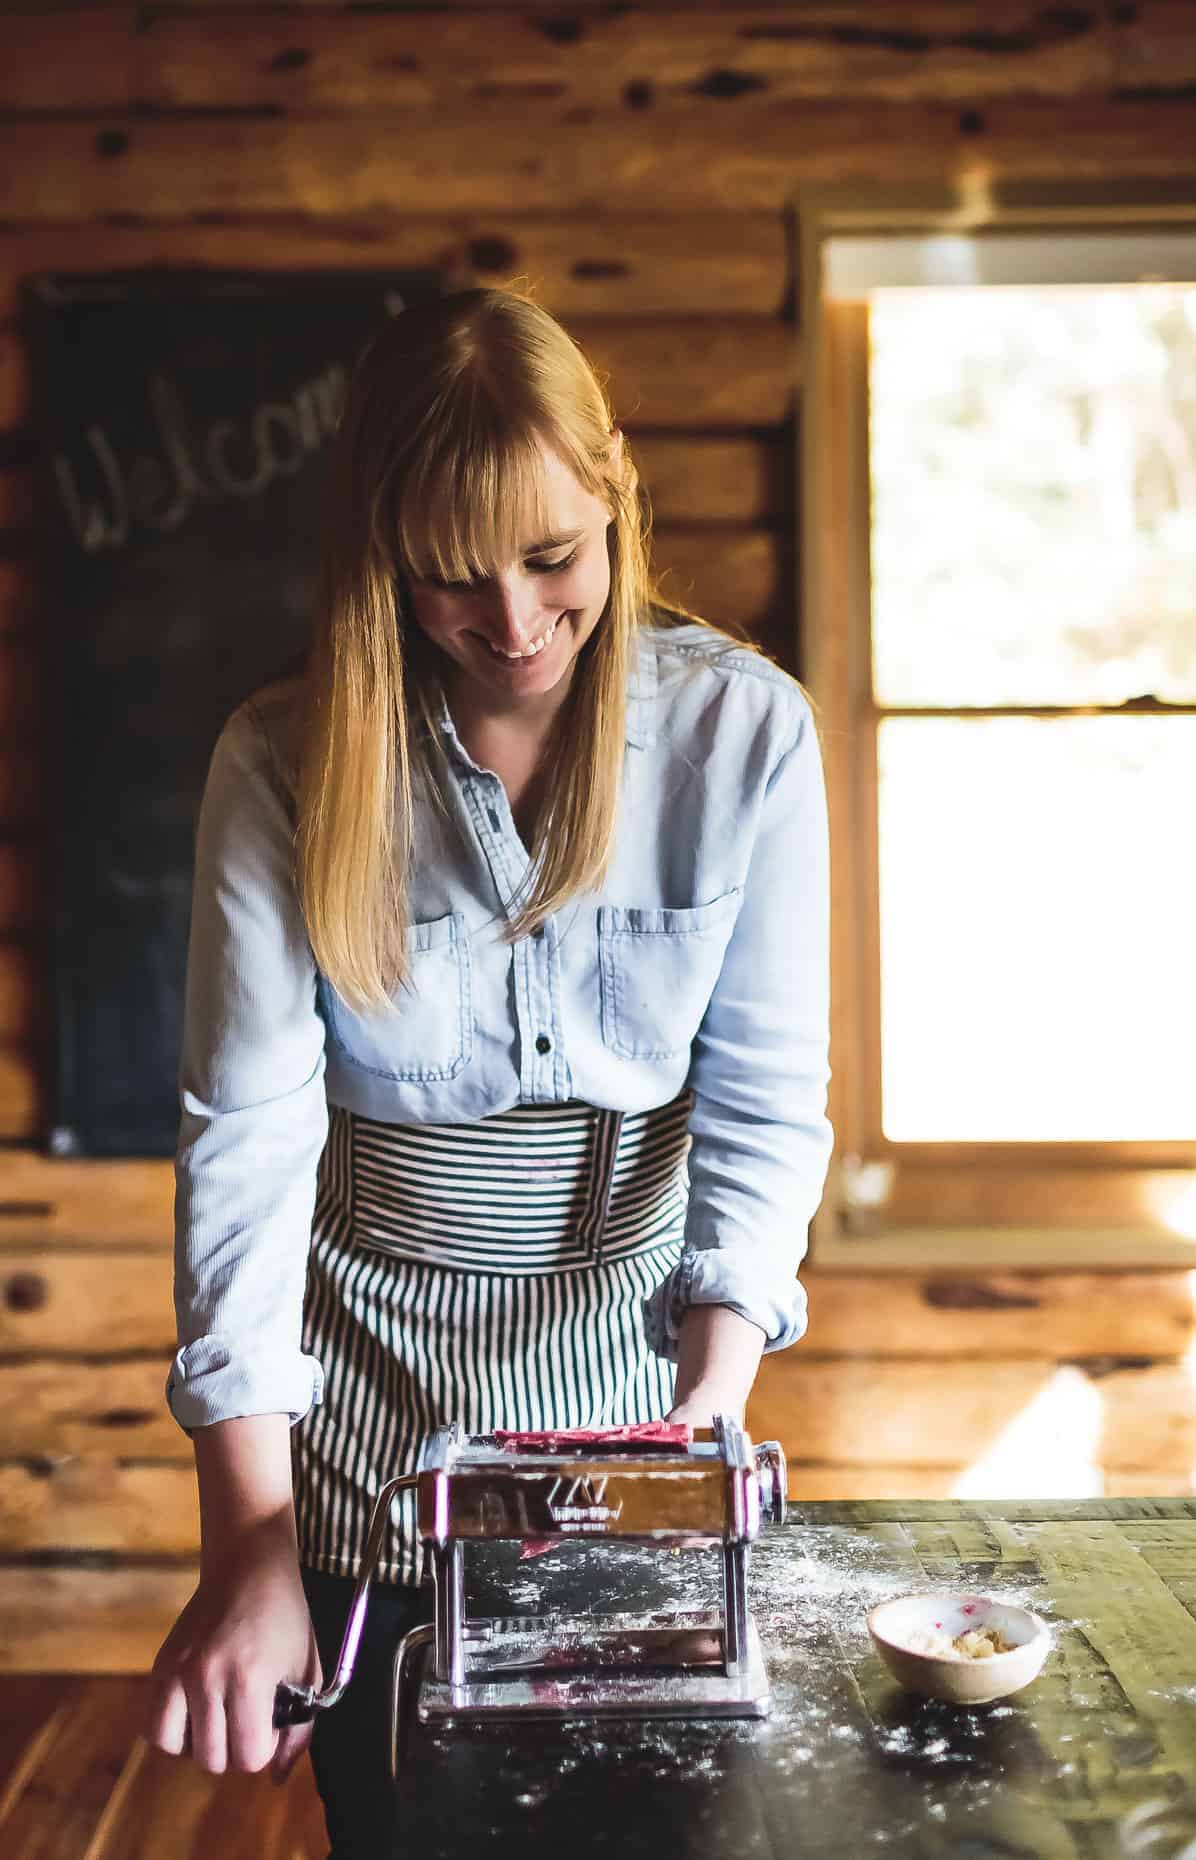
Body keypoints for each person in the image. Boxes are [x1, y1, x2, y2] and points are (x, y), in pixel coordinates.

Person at [146, 286, 831, 1854]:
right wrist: (249, 1544)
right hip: (366, 1431)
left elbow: (762, 1105)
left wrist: (699, 1421)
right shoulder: (279, 762)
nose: (512, 623)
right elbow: (245, 1143)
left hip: (636, 1396)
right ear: (377, 552)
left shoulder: (744, 739)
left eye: (551, 557)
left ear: (617, 503)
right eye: (451, 574)